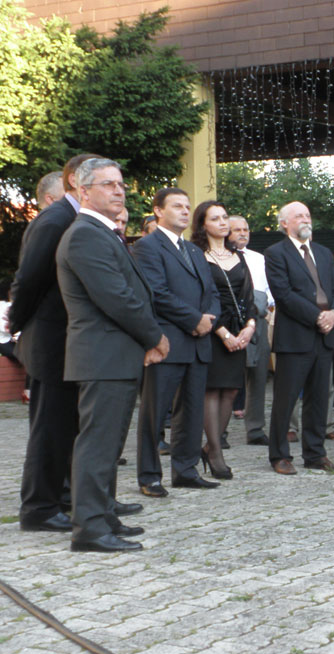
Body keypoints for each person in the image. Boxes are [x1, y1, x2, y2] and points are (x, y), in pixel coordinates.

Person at [56, 157, 169, 552]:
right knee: (97, 444)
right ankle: (89, 529)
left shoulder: (102, 232)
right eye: (108, 184)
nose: (118, 190)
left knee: (108, 445)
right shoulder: (85, 235)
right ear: (83, 191)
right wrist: (155, 337)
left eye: (120, 184)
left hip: (116, 354)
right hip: (102, 355)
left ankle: (103, 516)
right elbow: (116, 298)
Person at [9, 153, 105, 534]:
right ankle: (38, 508)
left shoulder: (74, 218)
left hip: (68, 340)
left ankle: (64, 497)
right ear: (76, 183)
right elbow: (28, 279)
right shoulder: (55, 219)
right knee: (49, 428)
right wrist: (17, 322)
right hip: (50, 340)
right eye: (101, 180)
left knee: (66, 425)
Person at [132, 188, 222, 497]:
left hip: (198, 344)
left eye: (187, 206)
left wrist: (208, 319)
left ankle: (185, 470)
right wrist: (194, 320)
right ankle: (149, 476)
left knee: (192, 411)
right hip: (167, 342)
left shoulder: (194, 250)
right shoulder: (147, 246)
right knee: (154, 413)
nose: (185, 211)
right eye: (177, 206)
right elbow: (156, 292)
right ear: (158, 210)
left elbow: (212, 292)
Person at [265, 201, 334, 475]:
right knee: (285, 400)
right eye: (298, 215)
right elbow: (283, 294)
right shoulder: (276, 253)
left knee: (319, 399)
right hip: (295, 336)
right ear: (284, 223)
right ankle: (279, 455)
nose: (305, 219)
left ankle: (315, 454)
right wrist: (317, 316)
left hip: (325, 336)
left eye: (308, 215)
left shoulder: (323, 253)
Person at [192, 201, 257, 478]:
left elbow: (249, 295)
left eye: (224, 217)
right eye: (215, 218)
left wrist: (250, 327)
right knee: (212, 390)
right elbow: (200, 298)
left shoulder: (238, 256)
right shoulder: (197, 255)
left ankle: (210, 447)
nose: (222, 222)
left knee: (231, 390)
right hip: (212, 330)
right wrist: (223, 332)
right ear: (203, 224)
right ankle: (216, 452)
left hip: (239, 330)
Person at [230, 215, 274, 446]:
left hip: (258, 318)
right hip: (230, 321)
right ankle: (219, 432)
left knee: (258, 376)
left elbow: (269, 290)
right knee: (227, 376)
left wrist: (265, 306)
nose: (242, 233)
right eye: (237, 229)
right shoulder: (217, 257)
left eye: (245, 229)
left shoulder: (259, 259)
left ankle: (255, 429)